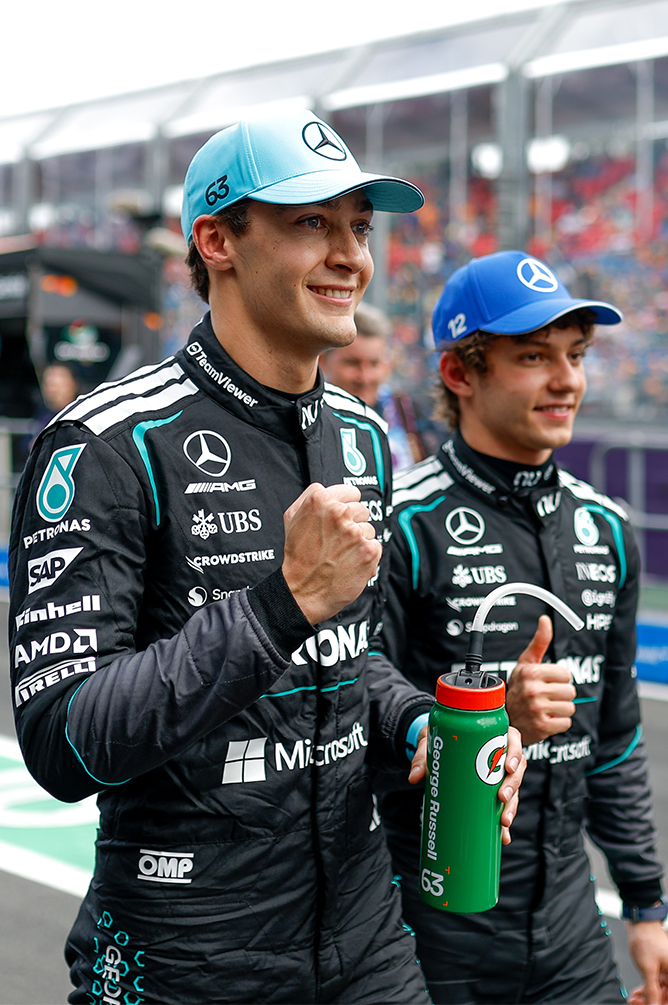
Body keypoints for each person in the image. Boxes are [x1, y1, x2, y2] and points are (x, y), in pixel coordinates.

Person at [8, 112, 524, 1005]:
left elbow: (347, 663)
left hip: (365, 938)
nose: (350, 255)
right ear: (216, 241)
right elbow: (61, 740)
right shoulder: (106, 444)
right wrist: (278, 603)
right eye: (310, 222)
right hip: (187, 956)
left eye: (358, 226)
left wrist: (416, 727)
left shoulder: (363, 438)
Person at [376, 250, 668, 1005]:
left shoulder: (607, 529)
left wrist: (644, 903)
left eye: (574, 355)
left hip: (570, 923)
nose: (567, 379)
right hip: (429, 918)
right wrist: (484, 715)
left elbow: (616, 738)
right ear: (460, 374)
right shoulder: (401, 523)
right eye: (533, 356)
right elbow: (351, 713)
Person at [320, 302, 446, 471]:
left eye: (374, 364)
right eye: (352, 363)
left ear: (387, 365)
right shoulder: (310, 419)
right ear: (323, 361)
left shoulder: (407, 411)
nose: (365, 377)